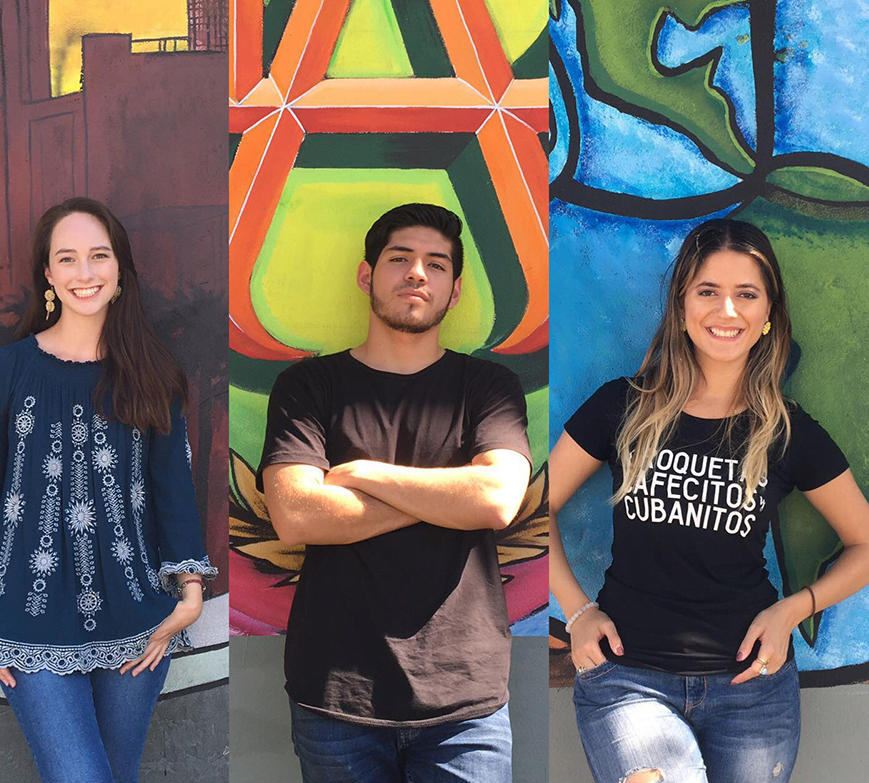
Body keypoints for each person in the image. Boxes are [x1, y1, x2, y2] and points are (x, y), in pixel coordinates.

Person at [549, 219, 869, 783]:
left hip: (754, 691)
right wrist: (576, 611)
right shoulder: (621, 408)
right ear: (680, 307)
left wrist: (794, 609)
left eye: (746, 295)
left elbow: (864, 543)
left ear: (769, 313)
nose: (727, 311)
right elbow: (533, 509)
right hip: (628, 680)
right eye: (707, 292)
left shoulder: (787, 433)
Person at [257, 203, 532, 783]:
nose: (417, 274)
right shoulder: (309, 386)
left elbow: (498, 500)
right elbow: (297, 514)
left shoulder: (488, 386)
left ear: (454, 292)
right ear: (367, 275)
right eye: (400, 259)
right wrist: (446, 498)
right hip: (338, 692)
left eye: (436, 264)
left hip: (465, 701)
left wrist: (361, 474)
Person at [0, 197, 217, 783]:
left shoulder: (154, 371)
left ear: (120, 268)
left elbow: (174, 488)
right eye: (66, 259)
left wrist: (190, 595)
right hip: (25, 619)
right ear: (47, 274)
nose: (84, 273)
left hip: (137, 624)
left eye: (98, 256)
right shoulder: (4, 369)